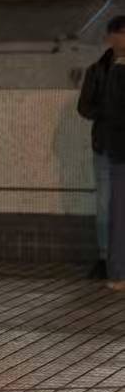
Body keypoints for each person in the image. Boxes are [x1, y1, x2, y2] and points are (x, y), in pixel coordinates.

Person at [79, 16, 125, 280]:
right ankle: (105, 257)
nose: (121, 39)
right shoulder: (98, 70)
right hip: (106, 146)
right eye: (118, 34)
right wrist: (107, 113)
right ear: (109, 37)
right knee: (105, 203)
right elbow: (84, 106)